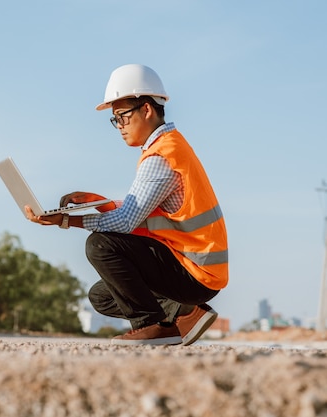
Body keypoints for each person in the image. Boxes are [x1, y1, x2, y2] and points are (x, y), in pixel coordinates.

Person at [25, 64, 228, 346]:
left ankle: (153, 327)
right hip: (193, 268)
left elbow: (125, 223)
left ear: (146, 110)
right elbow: (148, 211)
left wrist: (66, 221)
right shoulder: (170, 146)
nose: (119, 126)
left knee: (100, 245)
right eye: (115, 120)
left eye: (122, 117)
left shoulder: (162, 156)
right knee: (102, 295)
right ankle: (184, 313)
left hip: (193, 271)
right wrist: (99, 202)